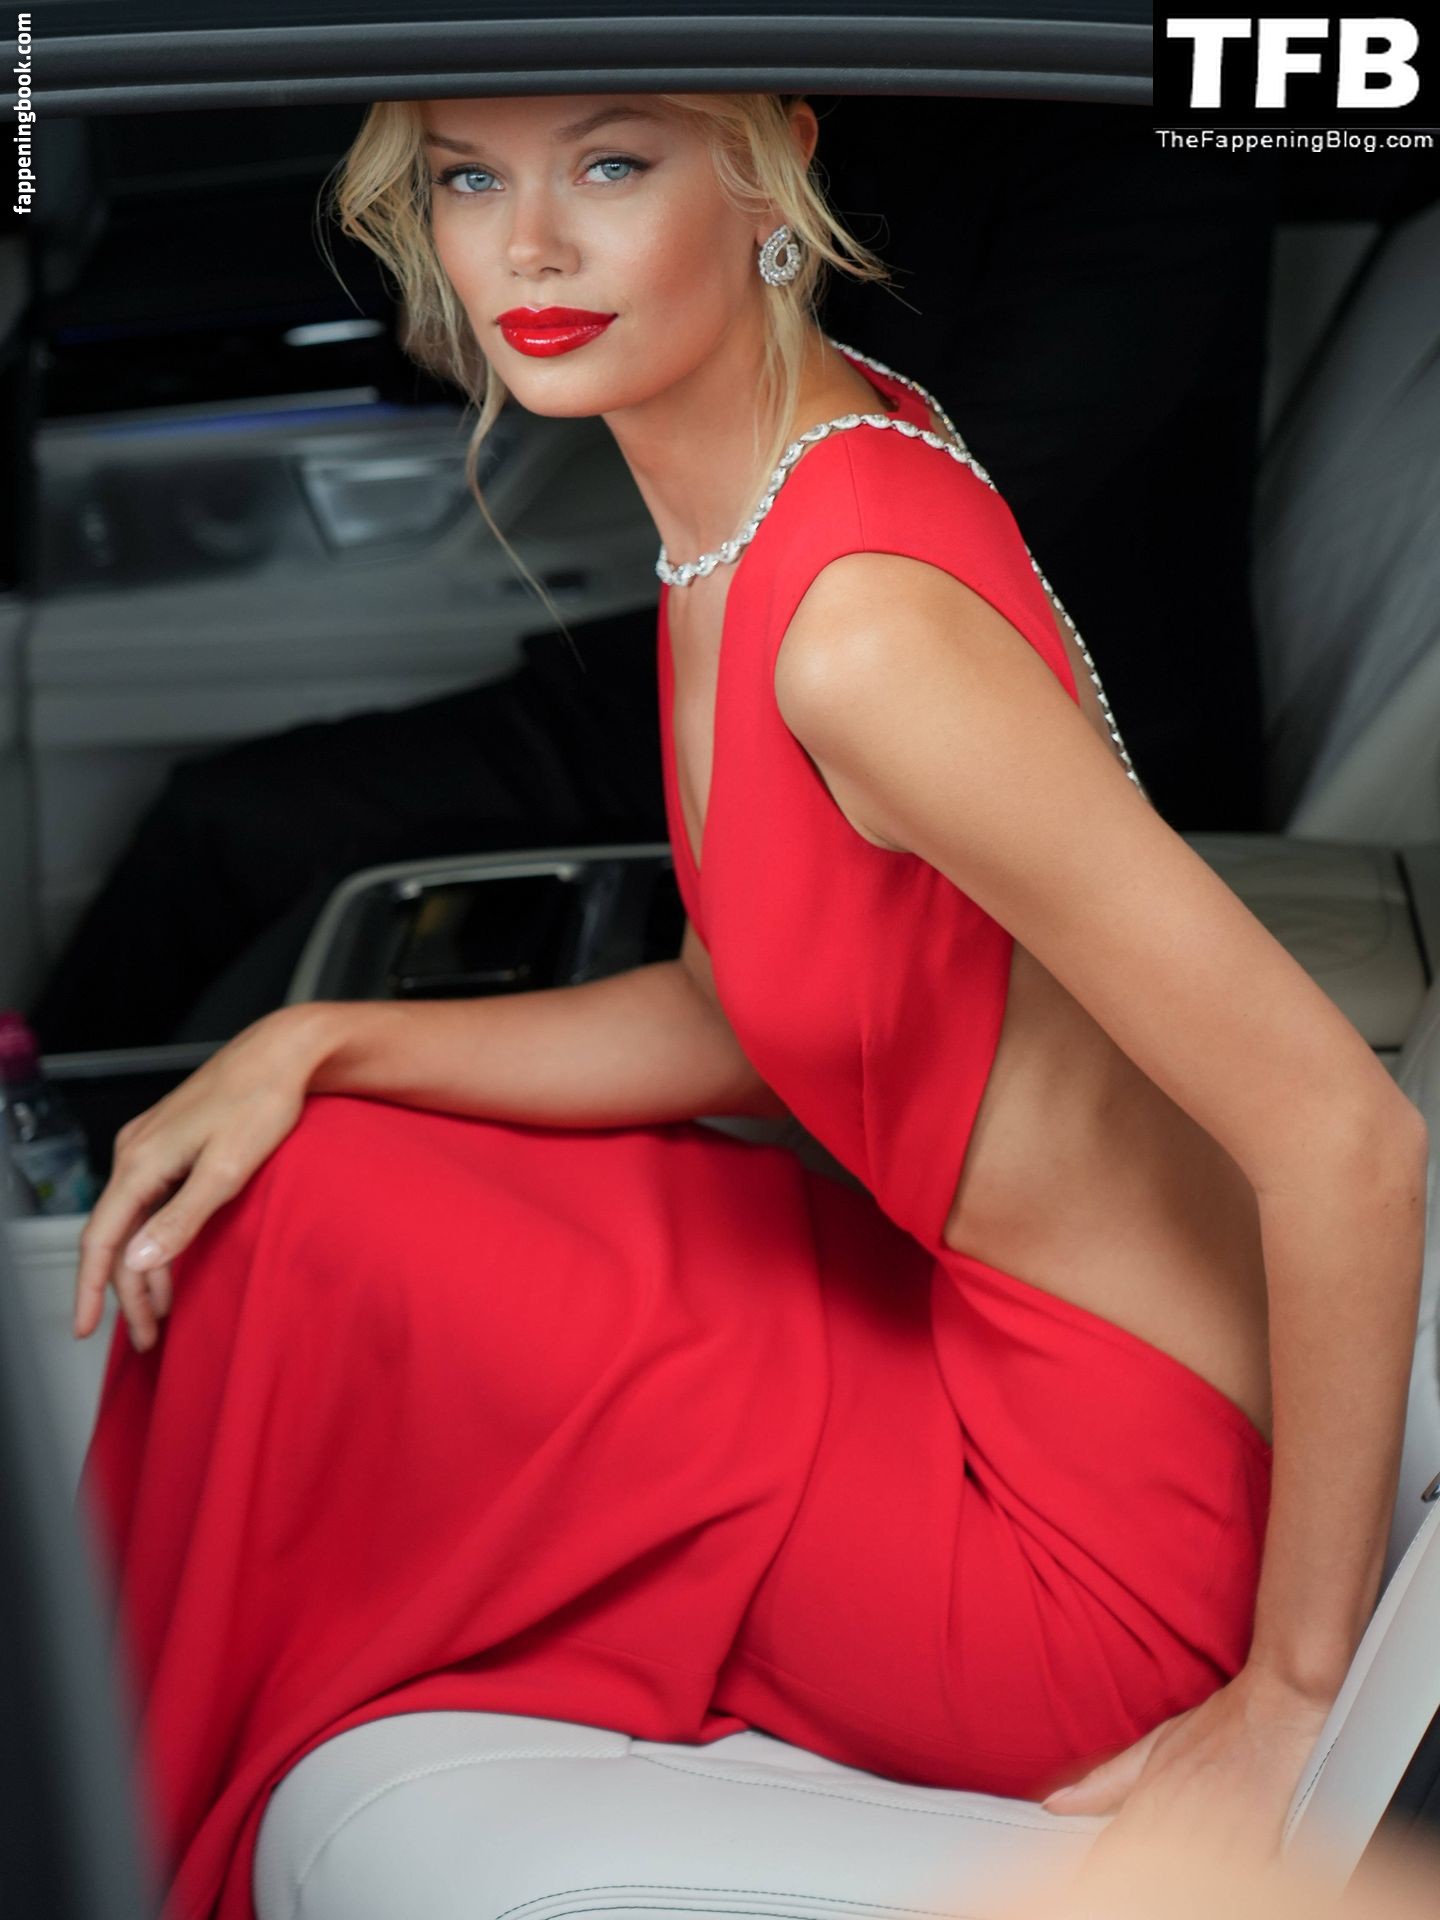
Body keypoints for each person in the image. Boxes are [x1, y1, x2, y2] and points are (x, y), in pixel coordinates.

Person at [69, 92, 1427, 1920]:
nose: (527, 246)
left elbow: (1348, 1137)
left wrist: (1292, 1700)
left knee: (297, 1262)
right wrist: (307, 1042)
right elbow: (737, 1011)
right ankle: (121, 1814)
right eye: (470, 177)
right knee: (303, 1181)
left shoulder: (860, 636)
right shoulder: (776, 471)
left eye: (610, 164)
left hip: (1087, 1541)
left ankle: (107, 1836)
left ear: (767, 166)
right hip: (959, 1340)